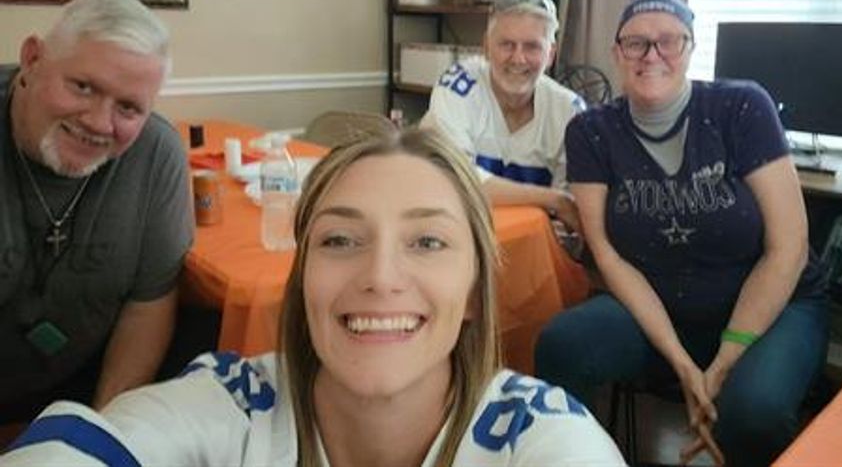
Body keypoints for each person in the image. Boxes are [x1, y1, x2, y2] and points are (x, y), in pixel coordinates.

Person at [0, 128, 626, 466]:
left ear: (474, 294)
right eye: (340, 240)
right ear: (302, 281)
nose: (380, 276)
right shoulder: (230, 406)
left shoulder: (542, 437)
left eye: (428, 242)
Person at [534, 0, 829, 467]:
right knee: (561, 344)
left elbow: (789, 248)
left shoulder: (742, 107)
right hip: (657, 307)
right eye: (636, 43)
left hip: (772, 307)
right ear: (616, 53)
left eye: (669, 41)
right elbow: (607, 255)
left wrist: (724, 362)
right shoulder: (591, 131)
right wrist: (682, 363)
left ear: (691, 47)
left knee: (754, 413)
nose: (652, 55)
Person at [0, 0, 193, 423]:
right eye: (83, 87)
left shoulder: (157, 154)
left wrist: (98, 436)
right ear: (32, 60)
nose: (99, 123)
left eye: (128, 108)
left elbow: (149, 303)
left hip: (75, 400)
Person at [420, 0, 586, 233]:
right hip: (459, 236)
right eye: (506, 44)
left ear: (550, 54)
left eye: (532, 47)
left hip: (530, 243)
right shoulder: (458, 87)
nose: (518, 59)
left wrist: (560, 205)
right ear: (486, 47)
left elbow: (570, 214)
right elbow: (454, 180)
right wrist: (551, 199)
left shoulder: (569, 111)